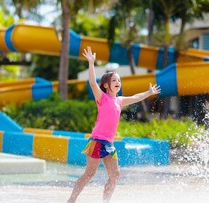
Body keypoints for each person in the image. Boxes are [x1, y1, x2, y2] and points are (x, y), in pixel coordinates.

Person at [67, 46, 161, 203]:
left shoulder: (119, 100)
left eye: (119, 80)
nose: (118, 82)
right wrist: (91, 63)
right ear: (106, 85)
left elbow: (136, 97)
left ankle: (106, 201)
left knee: (115, 174)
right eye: (114, 80)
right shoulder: (102, 98)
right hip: (97, 141)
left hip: (109, 144)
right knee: (89, 174)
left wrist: (148, 93)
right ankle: (71, 200)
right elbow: (92, 82)